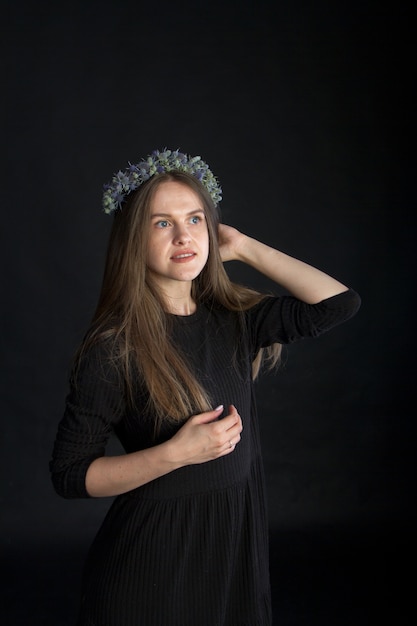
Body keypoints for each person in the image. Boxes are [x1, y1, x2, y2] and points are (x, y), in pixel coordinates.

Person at [50, 148, 361, 626]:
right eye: (161, 223)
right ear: (133, 239)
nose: (183, 236)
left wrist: (245, 246)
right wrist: (176, 453)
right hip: (152, 563)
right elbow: (70, 474)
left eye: (195, 219)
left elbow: (338, 304)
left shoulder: (234, 319)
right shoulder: (115, 347)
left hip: (232, 545)